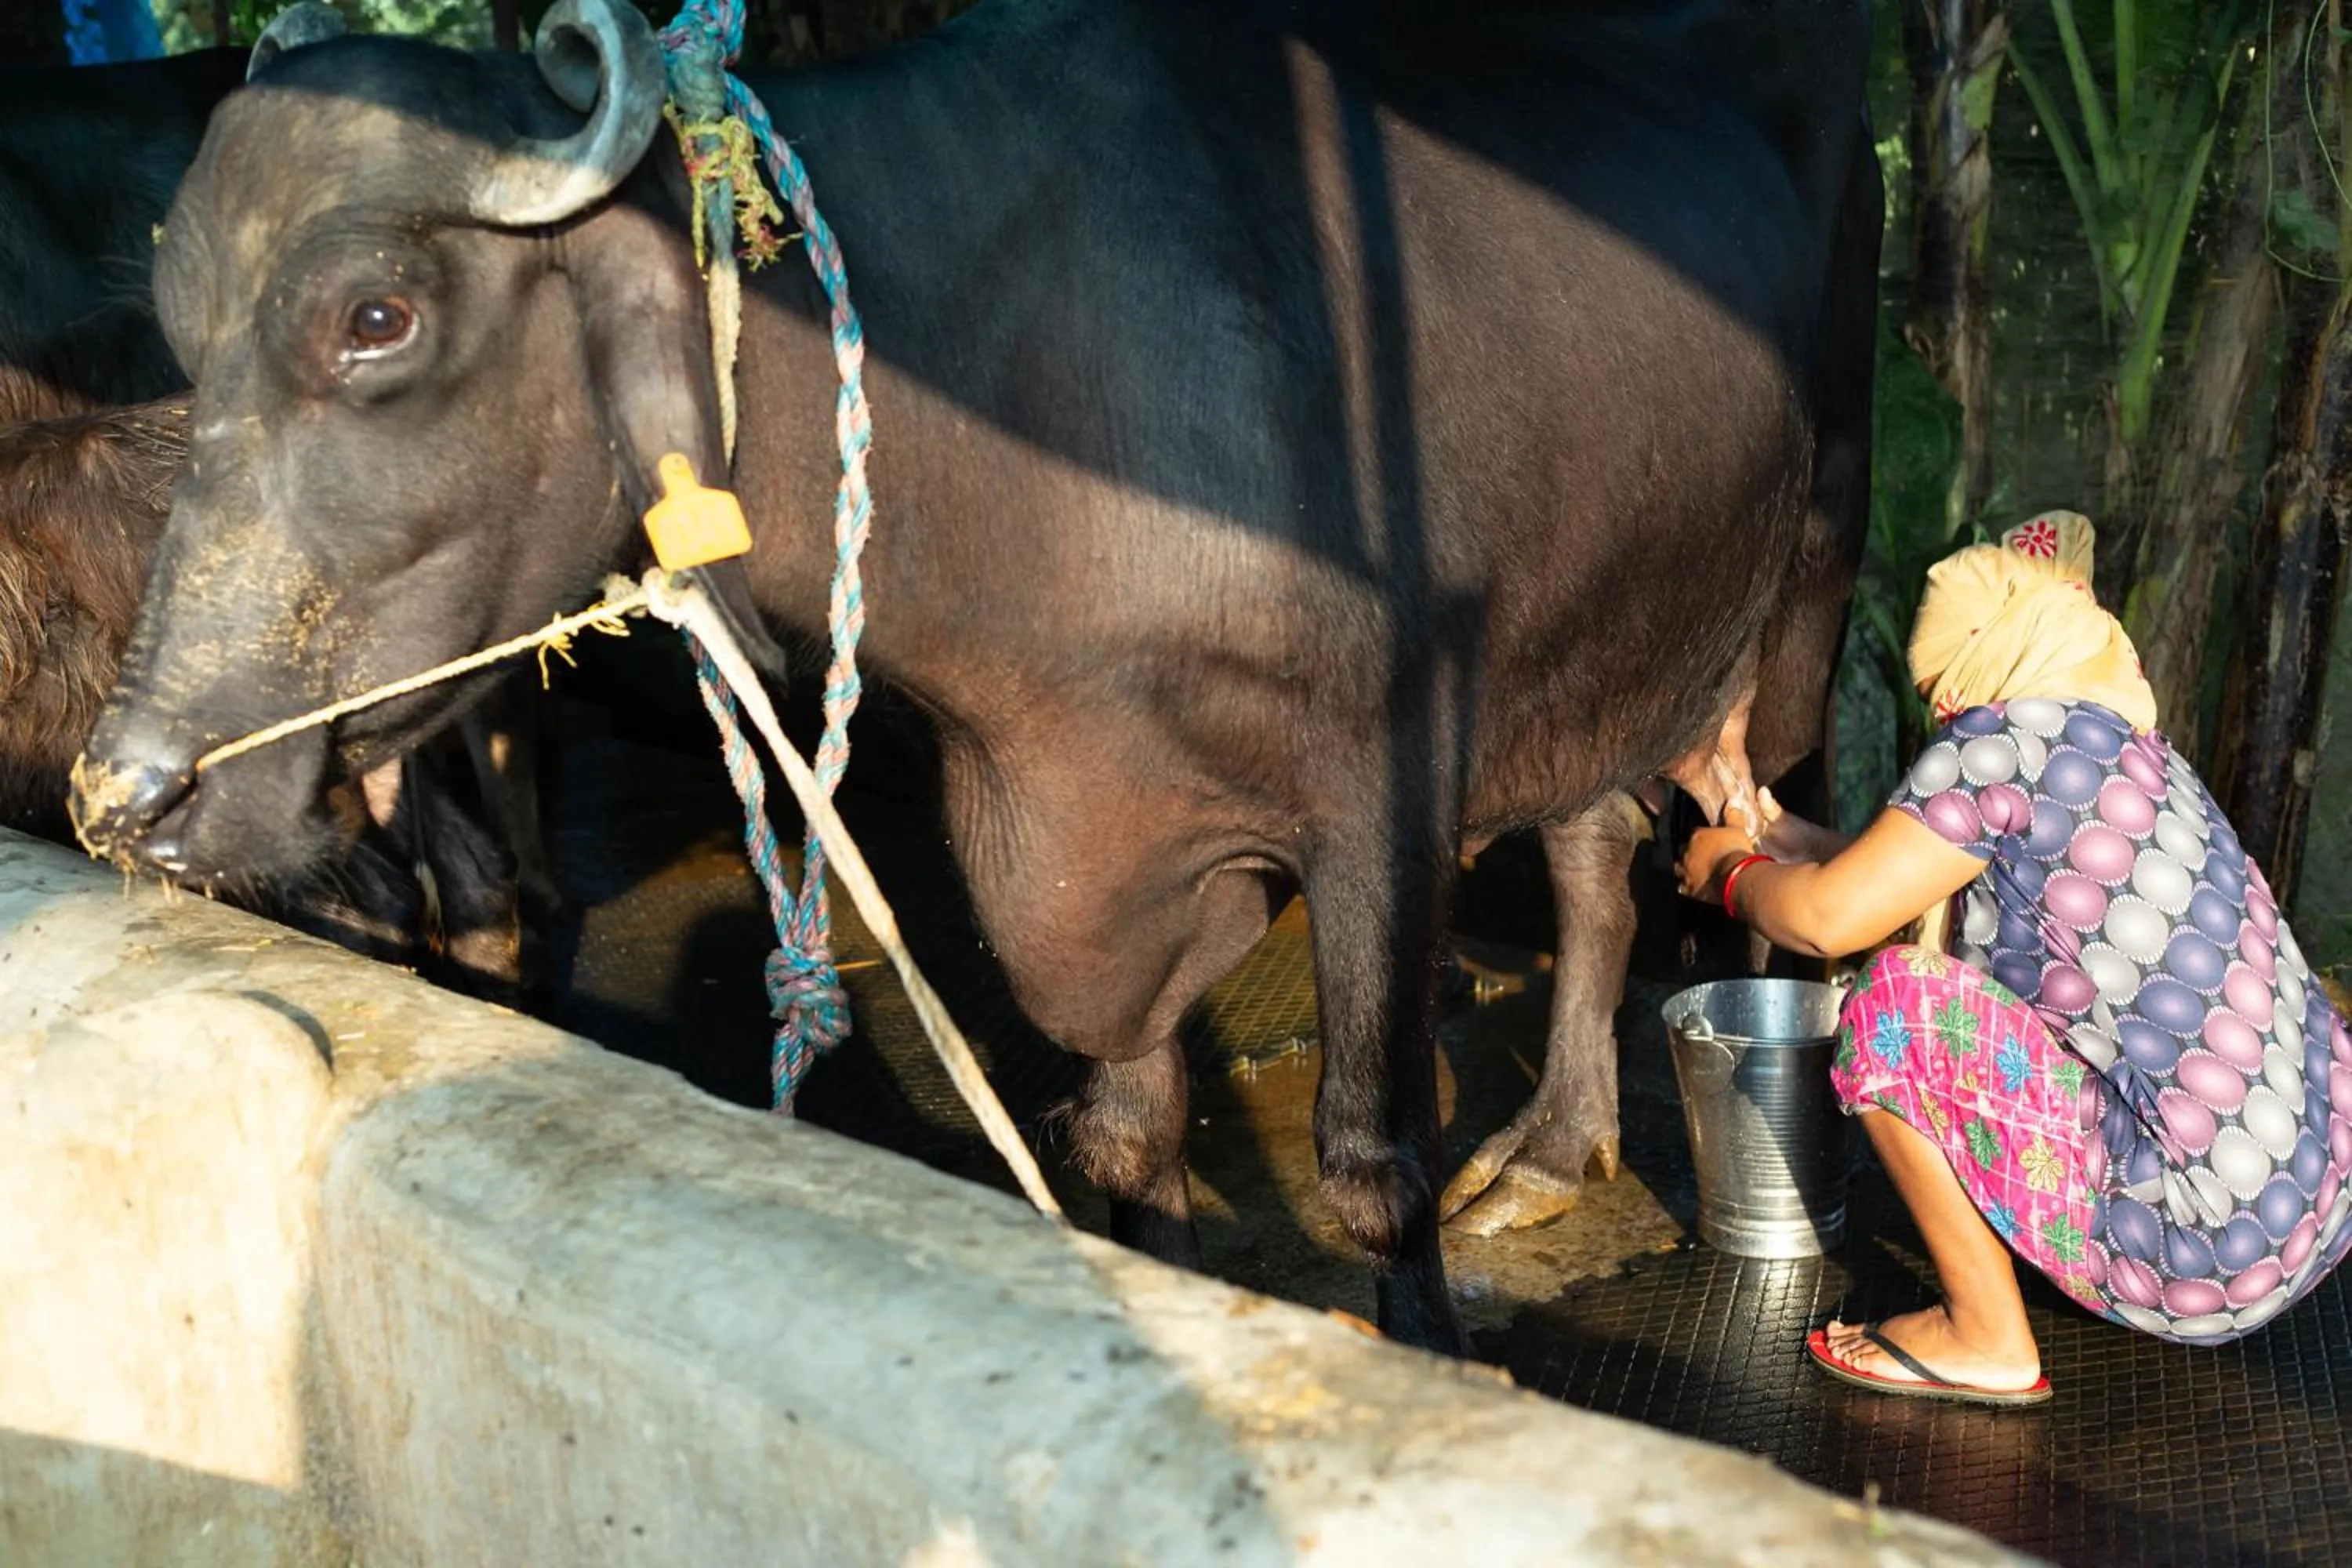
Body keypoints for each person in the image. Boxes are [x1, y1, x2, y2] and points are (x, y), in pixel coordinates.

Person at [1679, 511, 2352, 1406]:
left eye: (1942, 689)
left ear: (1977, 664)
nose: (1942, 713)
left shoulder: (1998, 743)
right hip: (2312, 1208)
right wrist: (1779, 834)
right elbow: (1912, 869)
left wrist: (1730, 873)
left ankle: (1984, 1331)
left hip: (2208, 1252)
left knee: (1893, 1006)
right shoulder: (2120, 746)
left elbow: (1830, 921)